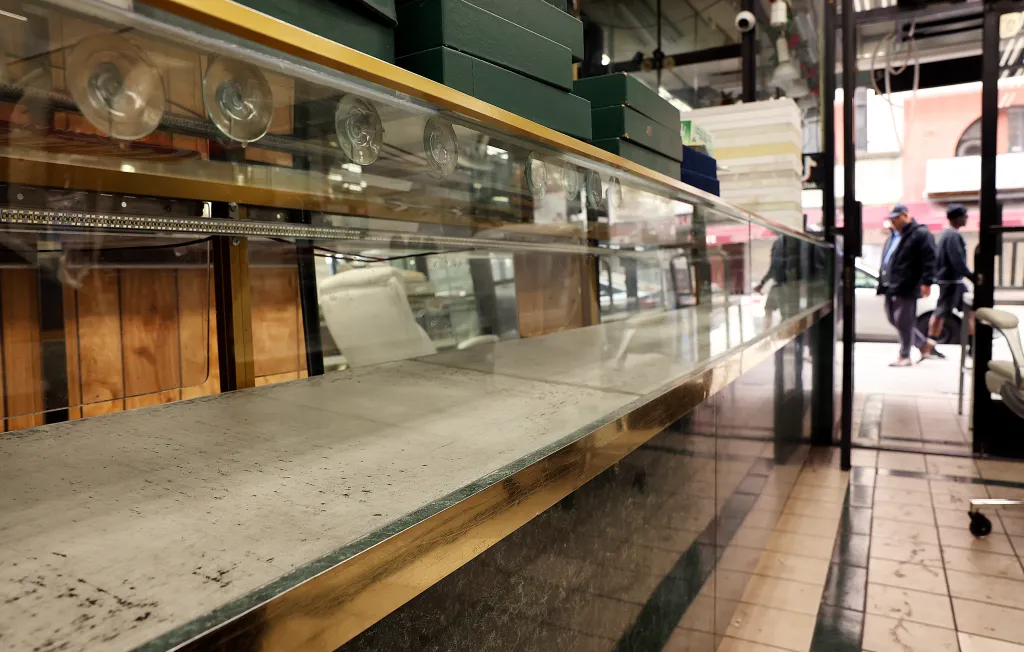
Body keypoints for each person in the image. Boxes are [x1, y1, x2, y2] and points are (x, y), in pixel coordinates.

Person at [878, 204, 937, 366]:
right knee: (893, 318)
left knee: (904, 320)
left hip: (908, 284)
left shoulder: (920, 234)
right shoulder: (893, 236)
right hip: (890, 284)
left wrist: (927, 282)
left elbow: (929, 258)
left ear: (905, 216)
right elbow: (888, 259)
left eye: (895, 218)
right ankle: (923, 344)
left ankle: (905, 355)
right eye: (891, 219)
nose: (893, 222)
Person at [929, 203, 977, 347]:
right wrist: (973, 277)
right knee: (941, 313)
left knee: (966, 312)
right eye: (965, 216)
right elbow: (957, 261)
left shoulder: (947, 234)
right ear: (958, 218)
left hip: (951, 281)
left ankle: (971, 346)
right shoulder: (952, 236)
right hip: (952, 281)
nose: (967, 219)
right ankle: (930, 344)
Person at [754, 235, 796, 329]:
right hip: (779, 284)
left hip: (790, 285)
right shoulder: (778, 242)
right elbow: (773, 267)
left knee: (786, 315)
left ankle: (781, 335)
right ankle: (766, 335)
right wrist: (762, 283)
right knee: (768, 309)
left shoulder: (794, 241)